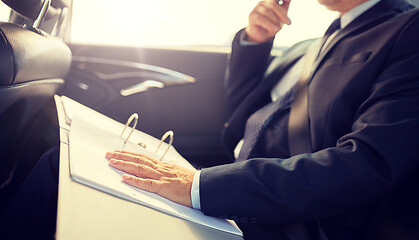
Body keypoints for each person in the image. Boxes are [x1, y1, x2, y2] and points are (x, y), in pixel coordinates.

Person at [1, 0, 418, 239]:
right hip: (238, 182)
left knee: (63, 170)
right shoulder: (329, 35)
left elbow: (369, 164)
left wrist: (199, 186)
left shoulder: (405, 29)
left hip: (284, 220)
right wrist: (256, 43)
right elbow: (244, 118)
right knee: (75, 153)